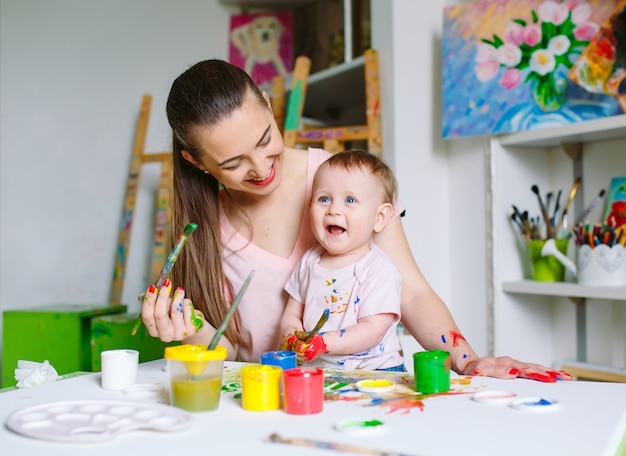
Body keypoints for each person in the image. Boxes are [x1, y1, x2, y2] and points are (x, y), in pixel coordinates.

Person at [139, 58, 571, 383]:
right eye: (234, 162)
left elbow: (413, 293)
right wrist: (190, 332)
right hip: (274, 402)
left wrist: (470, 361)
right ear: (196, 161)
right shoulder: (200, 229)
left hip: (368, 392)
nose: (260, 167)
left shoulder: (343, 180)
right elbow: (232, 352)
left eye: (265, 138)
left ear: (269, 106)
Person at [280, 149, 405, 371]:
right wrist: (291, 335)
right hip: (321, 371)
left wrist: (323, 343)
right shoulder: (309, 261)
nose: (334, 209)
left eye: (350, 200)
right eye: (324, 199)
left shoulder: (378, 269)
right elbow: (292, 313)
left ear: (380, 217)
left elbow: (373, 330)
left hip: (376, 373)